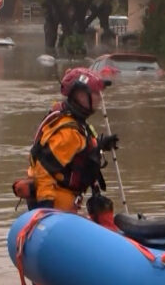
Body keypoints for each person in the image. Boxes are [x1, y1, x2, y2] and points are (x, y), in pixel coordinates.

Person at [20, 68, 119, 218]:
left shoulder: (73, 121)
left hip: (66, 205)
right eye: (95, 93)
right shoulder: (68, 132)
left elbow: (79, 153)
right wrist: (46, 209)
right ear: (80, 95)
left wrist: (99, 146)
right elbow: (43, 171)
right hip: (56, 206)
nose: (100, 97)